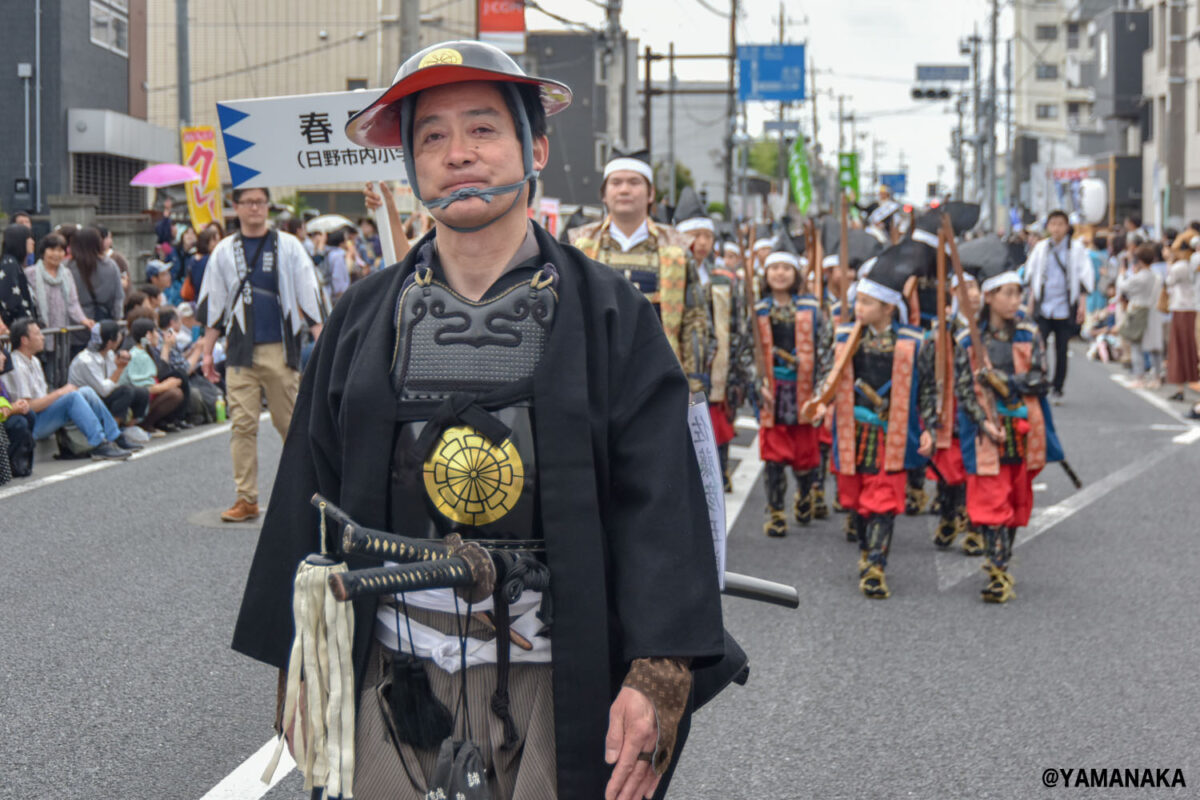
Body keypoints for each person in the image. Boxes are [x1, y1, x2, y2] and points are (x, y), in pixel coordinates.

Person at [233, 40, 736, 800]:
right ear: (409, 165)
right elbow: (311, 499)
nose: (457, 153)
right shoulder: (364, 318)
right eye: (431, 136)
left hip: (552, 668)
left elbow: (661, 502)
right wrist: (301, 671)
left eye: (482, 129)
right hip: (390, 668)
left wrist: (657, 671)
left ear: (533, 147)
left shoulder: (612, 315)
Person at [197, 186, 328, 522]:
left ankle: (308, 493)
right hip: (240, 351)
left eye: (261, 202)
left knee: (291, 425)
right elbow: (215, 304)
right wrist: (207, 352)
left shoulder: (289, 245)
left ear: (268, 207)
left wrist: (322, 340)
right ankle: (246, 498)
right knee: (242, 426)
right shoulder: (224, 250)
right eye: (248, 202)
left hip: (280, 349)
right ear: (236, 207)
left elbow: (308, 293)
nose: (255, 208)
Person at [820, 248, 930, 599]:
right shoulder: (844, 338)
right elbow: (830, 377)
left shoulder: (912, 342)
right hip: (854, 430)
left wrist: (929, 427)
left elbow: (926, 388)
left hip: (890, 433)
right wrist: (823, 404)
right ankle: (867, 551)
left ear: (888, 307)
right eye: (859, 301)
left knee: (884, 497)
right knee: (856, 495)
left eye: (867, 303)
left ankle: (876, 565)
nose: (859, 308)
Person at [954, 259, 1064, 603]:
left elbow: (1040, 379)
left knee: (1016, 496)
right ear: (988, 296)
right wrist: (982, 420)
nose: (1015, 300)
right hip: (986, 428)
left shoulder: (1029, 334)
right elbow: (962, 388)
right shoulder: (968, 339)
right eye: (1007, 293)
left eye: (1018, 293)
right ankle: (997, 569)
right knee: (991, 496)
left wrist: (1006, 381)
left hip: (1021, 426)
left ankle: (1001, 555)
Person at [570, 150, 709, 393]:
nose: (624, 190)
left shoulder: (676, 248)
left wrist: (694, 381)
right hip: (595, 376)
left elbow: (694, 319)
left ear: (651, 193)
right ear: (604, 193)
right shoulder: (580, 246)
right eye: (616, 182)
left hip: (659, 375)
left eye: (634, 182)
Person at [754, 251, 832, 536]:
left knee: (805, 457)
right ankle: (775, 512)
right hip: (772, 392)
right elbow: (750, 351)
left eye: (786, 267)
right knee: (773, 457)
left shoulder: (811, 310)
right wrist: (757, 382)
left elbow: (825, 353)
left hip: (803, 391)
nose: (780, 273)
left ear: (796, 274)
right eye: (773, 267)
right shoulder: (758, 309)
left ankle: (804, 493)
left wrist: (822, 391)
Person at [0, 318, 133, 459]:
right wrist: (60, 393)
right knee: (72, 397)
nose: (43, 337)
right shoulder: (17, 365)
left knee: (85, 391)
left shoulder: (34, 360)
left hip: (43, 415)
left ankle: (115, 436)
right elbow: (28, 406)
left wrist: (61, 393)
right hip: (32, 422)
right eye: (38, 334)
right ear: (24, 340)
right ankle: (99, 444)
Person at [1022, 210, 1095, 402]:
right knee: (1040, 346)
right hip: (1044, 305)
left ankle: (1058, 386)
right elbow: (1032, 276)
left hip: (1065, 306)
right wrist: (1031, 303)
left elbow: (1084, 277)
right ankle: (1041, 381)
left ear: (1067, 226)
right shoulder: (1041, 248)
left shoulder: (1076, 248)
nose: (1056, 228)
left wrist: (1082, 305)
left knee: (1062, 349)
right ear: (1048, 226)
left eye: (1060, 224)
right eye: (1053, 224)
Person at [25, 232, 94, 383]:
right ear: (43, 251)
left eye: (60, 250)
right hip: (40, 332)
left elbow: (73, 303)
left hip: (61, 332)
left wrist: (83, 320)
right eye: (52, 249)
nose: (56, 254)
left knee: (59, 373)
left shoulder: (67, 274)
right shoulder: (30, 274)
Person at [68, 320, 148, 435]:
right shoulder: (86, 360)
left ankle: (128, 428)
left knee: (141, 393)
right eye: (118, 334)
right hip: (87, 403)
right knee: (125, 391)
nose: (121, 337)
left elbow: (114, 382)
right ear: (110, 341)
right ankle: (112, 434)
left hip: (101, 396)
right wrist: (119, 368)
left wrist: (120, 364)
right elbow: (104, 390)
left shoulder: (109, 354)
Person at [119, 317, 185, 436]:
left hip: (139, 400)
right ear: (148, 335)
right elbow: (144, 388)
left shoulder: (143, 350)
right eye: (155, 332)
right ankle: (144, 424)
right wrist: (166, 385)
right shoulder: (139, 355)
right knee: (175, 393)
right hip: (133, 404)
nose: (158, 336)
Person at [66, 227, 125, 351]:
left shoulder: (68, 268)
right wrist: (116, 320)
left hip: (76, 327)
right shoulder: (110, 265)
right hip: (104, 324)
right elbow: (118, 297)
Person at [1117, 243, 1165, 389]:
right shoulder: (1157, 276)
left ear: (1140, 260)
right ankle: (1157, 376)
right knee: (1155, 347)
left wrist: (1122, 272)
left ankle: (1140, 377)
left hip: (1138, 311)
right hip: (1154, 313)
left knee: (1136, 345)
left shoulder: (1140, 277)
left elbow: (1122, 286)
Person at [0, 223, 39, 333]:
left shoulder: (15, 264)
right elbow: (11, 300)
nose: (33, 242)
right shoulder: (9, 264)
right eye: (29, 238)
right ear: (19, 241)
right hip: (16, 330)